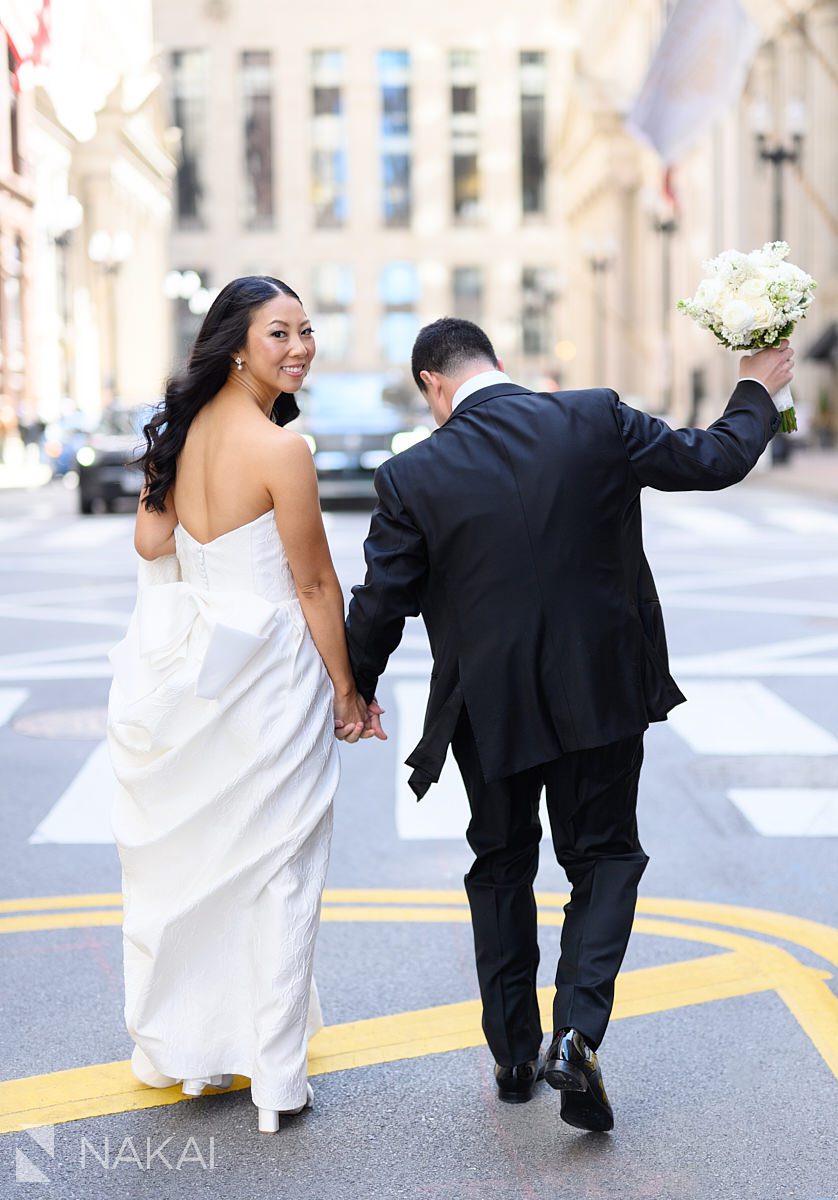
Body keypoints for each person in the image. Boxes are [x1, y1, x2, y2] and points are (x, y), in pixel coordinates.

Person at [345, 317, 793, 1132]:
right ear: (495, 365)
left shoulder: (413, 473)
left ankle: (514, 1055)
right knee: (605, 857)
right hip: (602, 692)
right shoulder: (595, 417)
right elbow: (716, 458)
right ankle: (577, 1034)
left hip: (492, 707)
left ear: (434, 388)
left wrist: (356, 688)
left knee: (502, 862)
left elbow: (382, 602)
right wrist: (759, 384)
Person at [107, 276, 376, 1135]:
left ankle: (197, 1054)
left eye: (305, 331)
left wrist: (172, 484)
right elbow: (313, 582)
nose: (299, 347)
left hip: (201, 675)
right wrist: (348, 689)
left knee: (209, 868)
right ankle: (277, 1083)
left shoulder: (178, 439)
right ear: (235, 344)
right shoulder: (279, 450)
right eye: (279, 333)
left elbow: (153, 542)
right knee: (282, 870)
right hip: (274, 674)